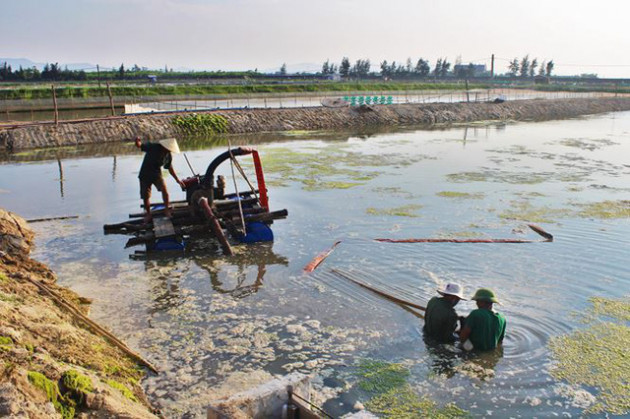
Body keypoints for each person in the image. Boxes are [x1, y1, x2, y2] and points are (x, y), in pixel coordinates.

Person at [135, 137, 185, 221]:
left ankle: (166, 210)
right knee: (146, 196)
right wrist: (137, 142)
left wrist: (177, 180)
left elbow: (169, 168)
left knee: (164, 190)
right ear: (164, 146)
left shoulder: (168, 155)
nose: (169, 151)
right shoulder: (153, 147)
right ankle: (148, 214)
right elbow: (140, 146)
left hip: (156, 174)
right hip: (145, 173)